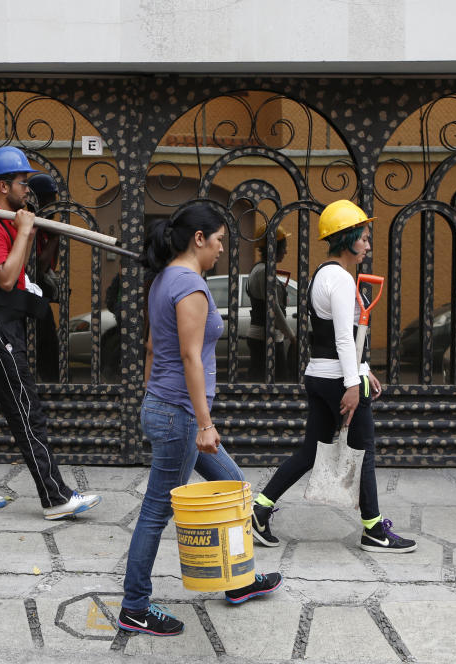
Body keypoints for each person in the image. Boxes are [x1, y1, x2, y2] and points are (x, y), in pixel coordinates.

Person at [119, 203, 282, 637]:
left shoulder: (162, 280)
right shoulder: (188, 284)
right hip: (182, 416)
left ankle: (238, 579)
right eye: (220, 240)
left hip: (170, 408)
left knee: (233, 488)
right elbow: (190, 356)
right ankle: (134, 605)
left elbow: (154, 348)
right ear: (198, 239)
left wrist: (155, 398)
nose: (222, 250)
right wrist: (203, 421)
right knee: (156, 512)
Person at [251, 199, 416, 554]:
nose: (368, 246)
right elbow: (342, 336)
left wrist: (363, 368)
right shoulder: (340, 279)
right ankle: (373, 530)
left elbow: (335, 337)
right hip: (337, 381)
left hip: (319, 375)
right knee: (364, 450)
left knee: (312, 450)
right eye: (364, 238)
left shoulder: (322, 275)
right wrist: (353, 384)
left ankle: (260, 508)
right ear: (346, 238)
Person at [0, 146, 101, 520]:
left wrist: (24, 231)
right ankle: (55, 497)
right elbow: (3, 277)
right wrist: (24, 231)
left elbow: (18, 272)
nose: (27, 189)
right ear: (3, 186)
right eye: (22, 182)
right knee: (25, 407)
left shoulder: (2, 222)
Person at [245, 221, 296, 382]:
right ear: (273, 247)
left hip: (264, 336)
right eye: (284, 246)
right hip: (266, 337)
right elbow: (273, 308)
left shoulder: (258, 268)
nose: (286, 251)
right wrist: (291, 335)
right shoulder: (264, 272)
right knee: (278, 381)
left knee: (261, 380)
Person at [28, 173, 63, 383]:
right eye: (49, 199)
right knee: (44, 342)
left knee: (48, 344)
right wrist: (56, 236)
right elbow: (39, 265)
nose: (53, 205)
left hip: (39, 295)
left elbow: (52, 264)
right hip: (29, 294)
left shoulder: (43, 228)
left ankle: (51, 383)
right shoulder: (30, 226)